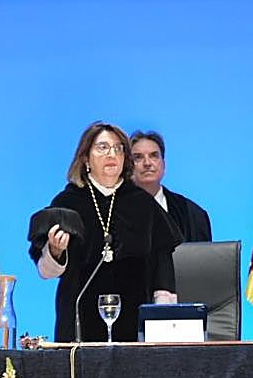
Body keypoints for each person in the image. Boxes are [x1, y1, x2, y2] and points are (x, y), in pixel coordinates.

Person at [31, 121, 182, 342]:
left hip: (135, 322)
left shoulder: (142, 203)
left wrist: (164, 319)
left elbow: (162, 263)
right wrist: (55, 250)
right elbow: (47, 272)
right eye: (103, 148)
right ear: (85, 159)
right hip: (79, 320)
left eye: (118, 148)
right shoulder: (67, 202)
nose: (112, 154)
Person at [130, 130, 212, 242]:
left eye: (154, 156)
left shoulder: (193, 215)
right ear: (128, 167)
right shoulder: (113, 211)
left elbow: (203, 258)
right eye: (138, 157)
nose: (147, 163)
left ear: (163, 165)